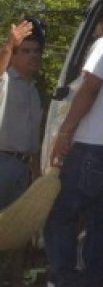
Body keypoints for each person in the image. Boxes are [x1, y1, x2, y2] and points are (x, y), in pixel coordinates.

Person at [15, 2, 103, 287]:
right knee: (101, 225)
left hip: (94, 145)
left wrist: (65, 132)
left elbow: (89, 88)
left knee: (59, 214)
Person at [0, 19, 45, 210]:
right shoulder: (5, 81)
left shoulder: (34, 90)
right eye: (26, 51)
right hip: (3, 163)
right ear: (14, 56)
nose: (33, 56)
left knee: (14, 233)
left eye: (36, 51)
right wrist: (9, 45)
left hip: (24, 169)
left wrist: (35, 172)